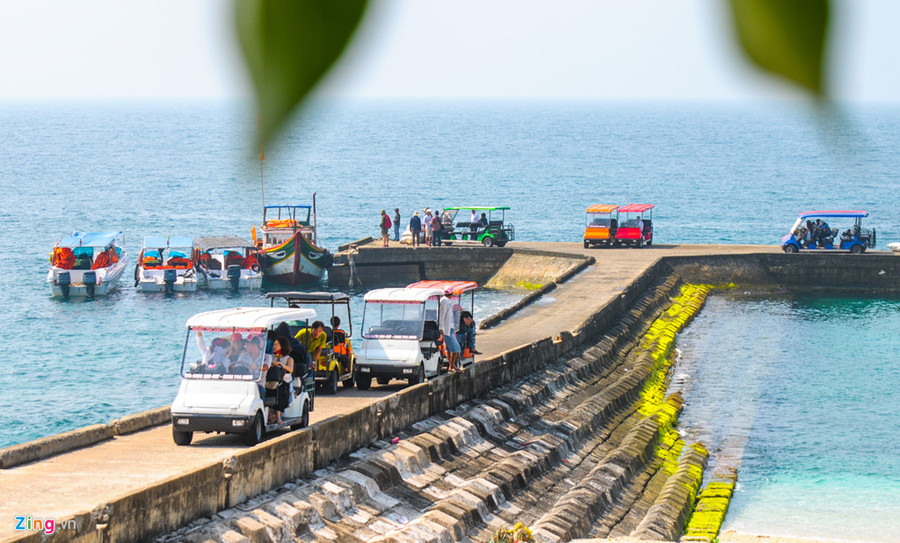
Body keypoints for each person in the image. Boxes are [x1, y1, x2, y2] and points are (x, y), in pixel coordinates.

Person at [268, 337, 294, 424]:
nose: (274, 346)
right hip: (272, 380)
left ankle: (278, 417)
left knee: (280, 390)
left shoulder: (288, 359)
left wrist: (280, 364)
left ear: (282, 346)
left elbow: (290, 369)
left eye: (276, 344)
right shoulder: (272, 357)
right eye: (274, 344)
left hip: (284, 382)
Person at [439, 292, 461, 371]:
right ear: (451, 294)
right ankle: (452, 365)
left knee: (449, 349)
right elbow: (442, 316)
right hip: (446, 329)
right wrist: (441, 327)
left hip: (449, 328)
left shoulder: (446, 301)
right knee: (456, 348)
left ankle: (451, 365)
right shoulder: (444, 302)